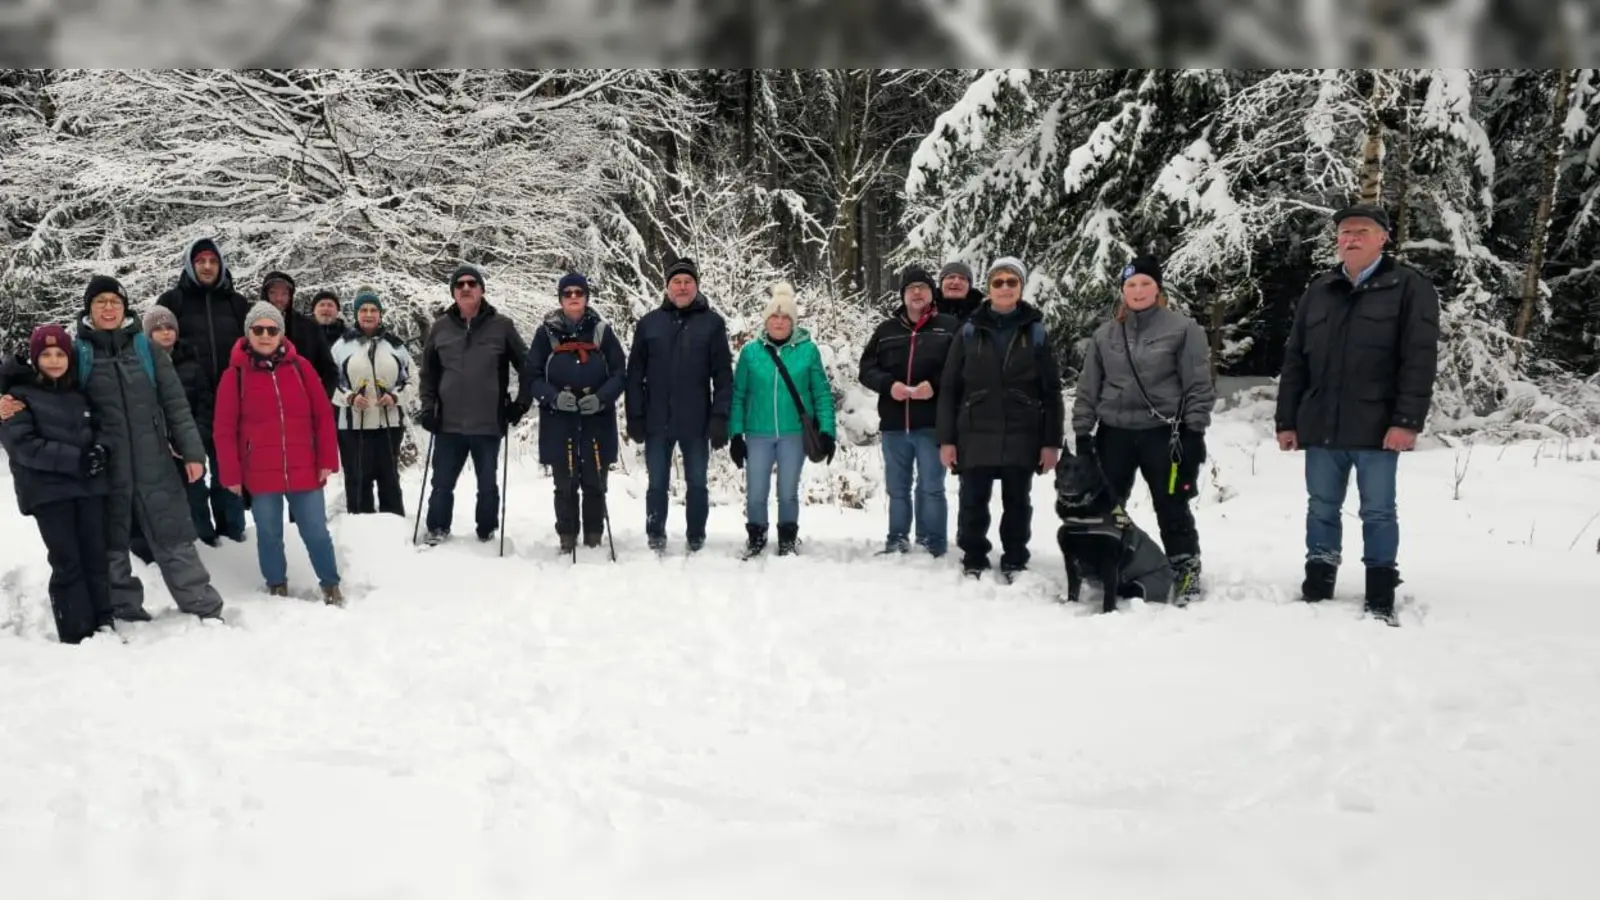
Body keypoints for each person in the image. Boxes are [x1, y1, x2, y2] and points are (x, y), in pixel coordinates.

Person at [1275, 204, 1441, 624]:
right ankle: (1319, 580)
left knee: (1378, 511)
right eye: (1344, 232)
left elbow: (1419, 360)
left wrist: (1406, 421)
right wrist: (1287, 420)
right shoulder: (1320, 289)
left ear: (1382, 238)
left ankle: (1380, 590)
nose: (1350, 238)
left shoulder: (1409, 286)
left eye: (1361, 231)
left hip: (1377, 425)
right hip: (1321, 424)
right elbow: (1295, 359)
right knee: (1321, 507)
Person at [80, 276, 226, 622]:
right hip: (106, 467)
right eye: (100, 302)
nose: (108, 308)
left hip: (154, 464)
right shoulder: (78, 354)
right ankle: (123, 611)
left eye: (115, 302)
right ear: (89, 309)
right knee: (111, 543)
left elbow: (176, 406)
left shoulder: (146, 350)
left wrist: (193, 453)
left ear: (124, 307)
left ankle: (203, 608)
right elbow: (49, 390)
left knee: (174, 537)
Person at [1072, 255, 1215, 604]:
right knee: (1106, 505)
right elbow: (1089, 387)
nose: (1138, 291)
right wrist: (1082, 433)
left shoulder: (1183, 329)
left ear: (1157, 288)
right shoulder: (1105, 334)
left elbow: (1198, 385)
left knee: (1172, 504)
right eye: (1131, 285)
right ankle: (1107, 563)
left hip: (1162, 434)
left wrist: (1194, 432)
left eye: (1145, 284)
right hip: (1114, 432)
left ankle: (1184, 567)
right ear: (1123, 291)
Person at [936, 257, 1065, 582]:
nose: (1005, 288)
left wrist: (1051, 442)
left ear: (1021, 287)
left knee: (1018, 502)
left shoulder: (1035, 331)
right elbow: (950, 387)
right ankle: (974, 556)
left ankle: (1015, 558)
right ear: (989, 288)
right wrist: (947, 439)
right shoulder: (968, 329)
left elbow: (1051, 391)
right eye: (998, 282)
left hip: (1022, 430)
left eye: (1012, 282)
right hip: (975, 429)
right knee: (972, 501)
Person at [213, 302, 343, 604]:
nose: (265, 335)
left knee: (316, 532)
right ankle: (276, 586)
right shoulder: (235, 375)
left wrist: (326, 459)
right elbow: (224, 429)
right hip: (259, 471)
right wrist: (231, 474)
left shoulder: (301, 367)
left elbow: (323, 415)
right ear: (248, 333)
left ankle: (330, 585)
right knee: (269, 534)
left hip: (304, 467)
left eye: (272, 330)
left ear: (281, 334)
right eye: (258, 329)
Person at [0, 325, 114, 644]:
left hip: (88, 489)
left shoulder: (78, 393)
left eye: (60, 354)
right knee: (68, 560)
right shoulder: (17, 398)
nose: (54, 360)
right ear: (35, 359)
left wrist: (101, 450)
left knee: (95, 556)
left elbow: (102, 427)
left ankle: (104, 620)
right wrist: (78, 459)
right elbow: (24, 446)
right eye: (46, 354)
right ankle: (76, 631)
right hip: (49, 493)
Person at [625, 256, 734, 553]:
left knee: (697, 482)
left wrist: (720, 416)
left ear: (696, 286)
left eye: (688, 282)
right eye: (676, 282)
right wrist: (635, 415)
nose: (682, 287)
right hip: (656, 420)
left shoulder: (712, 324)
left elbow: (723, 376)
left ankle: (696, 534)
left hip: (696, 421)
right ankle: (655, 533)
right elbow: (634, 375)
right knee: (657, 483)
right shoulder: (649, 324)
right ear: (667, 287)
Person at [417, 263, 529, 545]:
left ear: (481, 289)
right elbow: (428, 373)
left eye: (471, 283)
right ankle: (437, 527)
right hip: (448, 423)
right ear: (453, 293)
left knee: (487, 484)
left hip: (488, 422)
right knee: (441, 483)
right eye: (460, 284)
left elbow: (527, 366)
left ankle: (486, 531)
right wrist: (428, 408)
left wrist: (520, 404)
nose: (466, 288)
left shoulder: (502, 326)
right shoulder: (440, 327)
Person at [729, 282, 837, 557]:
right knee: (756, 491)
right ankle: (756, 535)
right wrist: (736, 434)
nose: (779, 322)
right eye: (774, 317)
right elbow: (738, 395)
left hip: (794, 433)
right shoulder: (751, 352)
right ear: (766, 321)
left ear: (793, 321)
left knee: (788, 490)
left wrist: (827, 431)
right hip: (758, 432)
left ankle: (787, 537)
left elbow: (822, 394)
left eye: (785, 317)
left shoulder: (808, 351)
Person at [155, 237, 253, 541]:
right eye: (200, 261)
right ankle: (202, 538)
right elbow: (154, 345)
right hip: (189, 405)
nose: (207, 266)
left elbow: (253, 348)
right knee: (192, 474)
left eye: (213, 261)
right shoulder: (172, 301)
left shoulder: (236, 304)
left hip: (230, 403)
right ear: (190, 265)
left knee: (228, 473)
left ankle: (233, 534)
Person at [522, 272, 627, 553]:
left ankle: (593, 535)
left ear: (586, 297)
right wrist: (554, 398)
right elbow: (532, 376)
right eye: (567, 293)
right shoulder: (545, 334)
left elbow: (620, 373)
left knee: (595, 481)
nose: (573, 298)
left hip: (597, 419)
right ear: (560, 299)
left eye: (578, 293)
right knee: (565, 482)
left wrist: (602, 398)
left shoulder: (602, 331)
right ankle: (567, 536)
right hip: (559, 420)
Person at [858, 265, 959, 556]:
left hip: (932, 424)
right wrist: (889, 385)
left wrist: (934, 386)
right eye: (911, 288)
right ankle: (897, 538)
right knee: (897, 488)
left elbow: (960, 368)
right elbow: (866, 369)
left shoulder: (949, 327)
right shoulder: (886, 331)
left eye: (923, 287)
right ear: (903, 295)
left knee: (932, 486)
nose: (917, 292)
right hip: (894, 424)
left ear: (932, 294)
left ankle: (933, 543)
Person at [140, 305, 219, 550]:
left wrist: (195, 437)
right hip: (158, 447)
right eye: (158, 329)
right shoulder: (142, 366)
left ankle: (206, 540)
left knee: (196, 493)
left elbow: (206, 405)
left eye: (169, 327)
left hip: (189, 444)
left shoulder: (192, 365)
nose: (165, 333)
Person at [331, 289, 412, 517]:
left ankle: (394, 525)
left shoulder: (396, 346)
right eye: (363, 310)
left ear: (380, 314)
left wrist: (395, 396)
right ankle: (360, 526)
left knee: (390, 479)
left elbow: (411, 381)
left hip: (389, 423)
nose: (368, 314)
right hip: (353, 426)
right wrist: (349, 397)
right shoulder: (341, 346)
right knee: (358, 480)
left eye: (373, 310)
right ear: (356, 314)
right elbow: (330, 383)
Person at [260, 271, 339, 396]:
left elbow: (330, 372)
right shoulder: (250, 326)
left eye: (284, 294)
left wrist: (320, 399)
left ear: (290, 296)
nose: (279, 298)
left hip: (300, 400)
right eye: (273, 293)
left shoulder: (310, 328)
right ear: (265, 294)